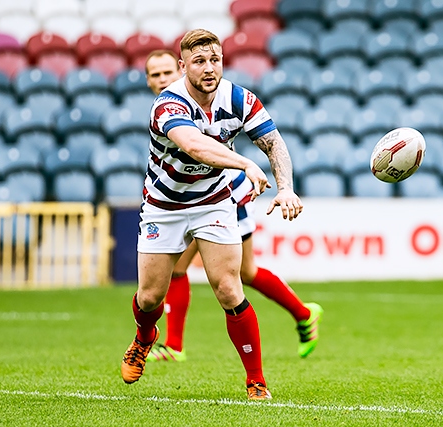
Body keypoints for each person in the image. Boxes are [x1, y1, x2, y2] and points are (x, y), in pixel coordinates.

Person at [121, 30, 307, 400]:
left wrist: (285, 187)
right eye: (200, 61)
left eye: (215, 60)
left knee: (228, 287)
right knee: (149, 298)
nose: (209, 69)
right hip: (164, 205)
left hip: (213, 201)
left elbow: (273, 142)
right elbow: (194, 145)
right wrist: (244, 165)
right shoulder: (167, 104)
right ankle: (145, 337)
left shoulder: (240, 98)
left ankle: (256, 382)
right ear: (182, 66)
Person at [142, 50, 323, 364]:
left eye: (167, 72)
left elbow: (208, 145)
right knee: (194, 270)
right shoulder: (168, 108)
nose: (162, 80)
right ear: (147, 81)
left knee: (241, 273)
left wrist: (276, 182)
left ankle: (304, 313)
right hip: (191, 197)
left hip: (228, 194)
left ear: (181, 70)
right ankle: (174, 345)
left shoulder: (207, 97)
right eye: (155, 75)